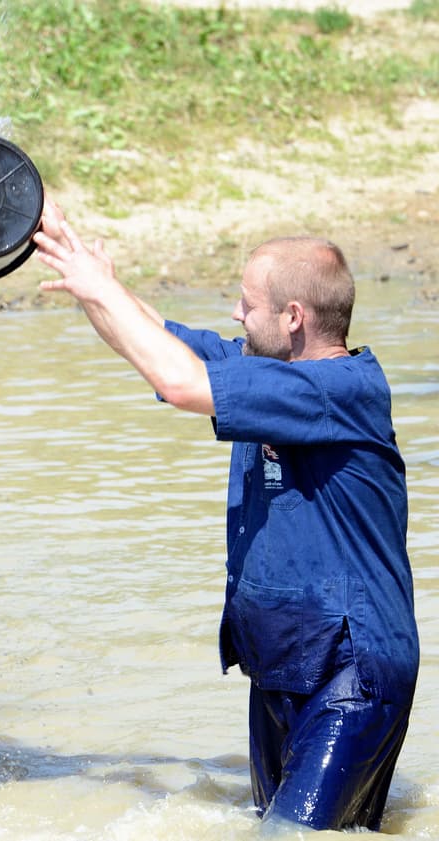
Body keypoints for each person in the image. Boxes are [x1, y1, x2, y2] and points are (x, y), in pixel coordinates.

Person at [31, 199, 419, 831]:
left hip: (352, 672)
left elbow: (183, 385)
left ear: (293, 317)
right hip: (282, 666)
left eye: (247, 303)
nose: (236, 315)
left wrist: (102, 289)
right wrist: (87, 274)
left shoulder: (344, 391)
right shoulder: (260, 366)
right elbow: (156, 341)